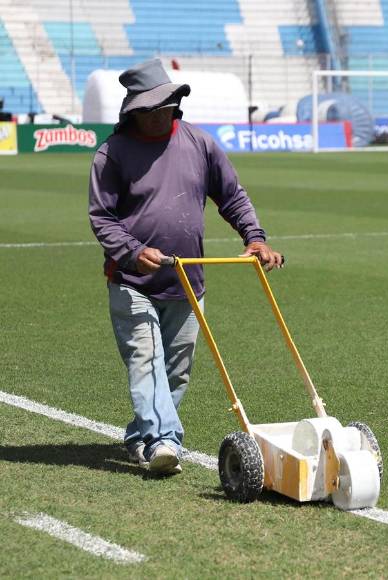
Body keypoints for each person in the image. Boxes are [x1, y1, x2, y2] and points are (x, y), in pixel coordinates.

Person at [88, 59, 283, 475]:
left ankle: (142, 438)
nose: (158, 113)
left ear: (175, 103)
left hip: (186, 281)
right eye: (149, 108)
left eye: (164, 104)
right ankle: (165, 441)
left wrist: (255, 237)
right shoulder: (112, 154)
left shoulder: (201, 144)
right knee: (146, 362)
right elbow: (102, 217)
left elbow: (231, 196)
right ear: (134, 111)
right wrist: (131, 250)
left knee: (175, 374)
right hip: (132, 281)